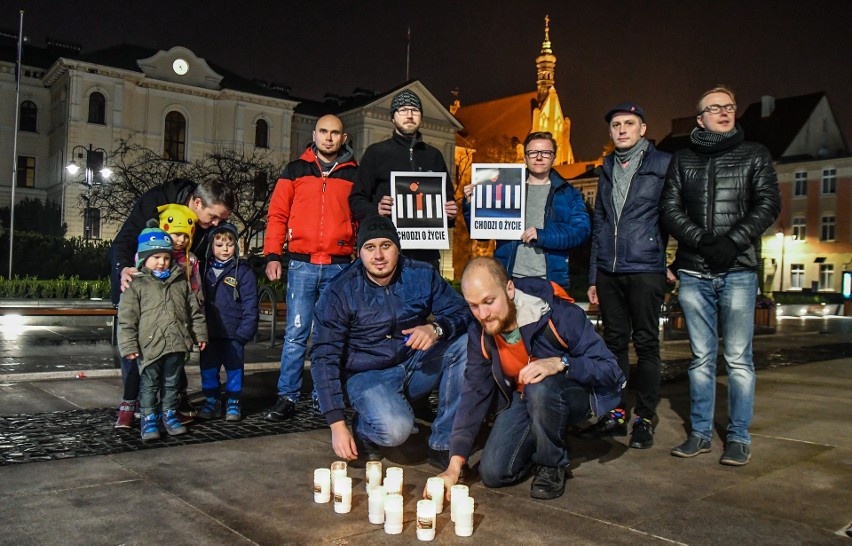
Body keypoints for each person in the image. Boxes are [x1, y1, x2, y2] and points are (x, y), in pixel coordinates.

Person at [433, 257, 623, 500]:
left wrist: (561, 363)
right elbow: (473, 394)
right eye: (473, 305)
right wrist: (455, 464)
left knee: (540, 387)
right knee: (493, 474)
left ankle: (553, 463)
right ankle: (543, 439)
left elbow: (610, 369)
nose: (483, 314)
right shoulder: (479, 332)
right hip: (525, 397)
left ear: (509, 289)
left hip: (571, 393)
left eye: (489, 302)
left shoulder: (559, 314)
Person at [660, 85, 780, 466]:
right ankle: (699, 433)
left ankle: (738, 436)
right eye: (714, 108)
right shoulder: (683, 159)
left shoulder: (754, 154)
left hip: (739, 270)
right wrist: (702, 240)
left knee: (739, 359)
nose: (724, 113)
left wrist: (732, 241)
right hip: (695, 271)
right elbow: (670, 209)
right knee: (700, 358)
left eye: (729, 107)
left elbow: (768, 203)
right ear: (700, 119)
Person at [310, 215, 471, 468]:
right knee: (396, 431)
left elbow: (463, 311)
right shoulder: (340, 291)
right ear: (359, 252)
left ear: (398, 248)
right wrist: (336, 424)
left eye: (386, 245)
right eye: (370, 247)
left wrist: (436, 328)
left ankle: (443, 444)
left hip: (413, 361)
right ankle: (365, 428)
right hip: (366, 376)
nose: (379, 256)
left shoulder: (421, 274)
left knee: (466, 343)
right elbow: (323, 356)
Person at [582, 102, 672, 449]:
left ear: (642, 129)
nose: (622, 129)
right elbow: (600, 224)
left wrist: (668, 260)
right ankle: (616, 415)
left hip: (646, 267)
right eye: (616, 124)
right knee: (614, 344)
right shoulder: (605, 168)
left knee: (647, 344)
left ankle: (645, 418)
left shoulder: (662, 164)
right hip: (609, 270)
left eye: (629, 123)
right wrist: (593, 276)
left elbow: (673, 212)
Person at [110, 178, 234, 426]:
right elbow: (124, 240)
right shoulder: (156, 201)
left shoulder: (206, 224)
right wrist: (123, 268)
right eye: (214, 217)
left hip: (177, 295)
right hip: (139, 286)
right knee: (139, 351)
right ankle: (133, 403)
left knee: (174, 352)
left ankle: (172, 402)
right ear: (197, 202)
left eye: (222, 219)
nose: (217, 224)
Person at [261, 115, 358, 421]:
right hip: (302, 264)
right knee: (296, 333)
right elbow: (277, 214)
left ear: (344, 138)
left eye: (335, 133)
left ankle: (323, 396)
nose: (329, 137)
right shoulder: (294, 170)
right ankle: (287, 396)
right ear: (314, 134)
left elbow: (360, 219)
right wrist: (273, 255)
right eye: (324, 132)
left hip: (339, 267)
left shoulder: (355, 175)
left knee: (330, 336)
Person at [462, 131, 590, 289]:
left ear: (554, 157)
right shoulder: (504, 188)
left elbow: (581, 232)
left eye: (545, 152)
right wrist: (470, 205)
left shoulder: (569, 193)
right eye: (533, 152)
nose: (539, 157)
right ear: (525, 157)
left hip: (550, 282)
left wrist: (543, 236)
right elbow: (481, 235)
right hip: (509, 280)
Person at [117, 221, 207, 441]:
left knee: (172, 383)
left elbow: (193, 311)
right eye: (156, 257)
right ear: (144, 258)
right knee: (149, 384)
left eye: (166, 257)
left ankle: (169, 414)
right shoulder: (137, 285)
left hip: (176, 343)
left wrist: (200, 334)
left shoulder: (180, 282)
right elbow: (127, 319)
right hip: (150, 346)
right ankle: (148, 418)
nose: (162, 262)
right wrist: (128, 345)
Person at [348, 89, 457, 270]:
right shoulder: (376, 153)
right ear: (392, 117)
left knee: (425, 298)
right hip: (387, 251)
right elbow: (356, 199)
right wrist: (377, 210)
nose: (409, 115)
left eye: (415, 110)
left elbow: (448, 199)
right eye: (403, 110)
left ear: (421, 117)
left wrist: (451, 213)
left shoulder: (434, 155)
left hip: (426, 254)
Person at [198, 223, 259, 421]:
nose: (224, 249)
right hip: (209, 334)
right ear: (211, 247)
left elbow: (251, 304)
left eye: (229, 245)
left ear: (236, 246)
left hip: (234, 334)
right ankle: (211, 401)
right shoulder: (203, 269)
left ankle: (233, 402)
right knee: (208, 370)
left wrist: (244, 333)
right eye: (219, 245)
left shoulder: (242, 271)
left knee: (234, 370)